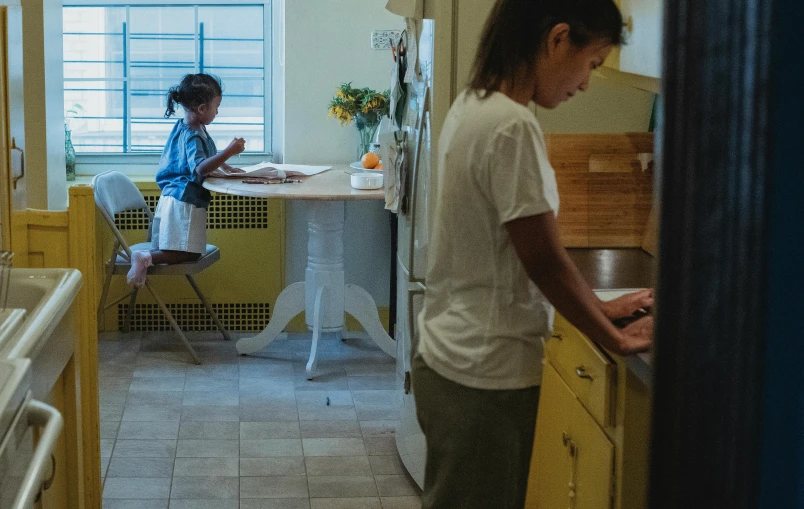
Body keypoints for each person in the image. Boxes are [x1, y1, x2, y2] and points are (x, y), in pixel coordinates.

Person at [411, 0, 655, 508]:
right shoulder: (512, 126)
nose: (586, 83)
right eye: (590, 63)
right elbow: (541, 258)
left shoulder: (473, 104)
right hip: (483, 377)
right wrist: (610, 333)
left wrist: (601, 304)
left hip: (453, 360)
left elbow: (512, 251)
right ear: (557, 38)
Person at [126, 73, 246, 287]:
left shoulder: (188, 127)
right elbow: (199, 168)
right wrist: (229, 152)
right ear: (201, 108)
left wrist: (226, 167)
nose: (217, 112)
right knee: (190, 253)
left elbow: (202, 156)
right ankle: (145, 257)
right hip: (184, 200)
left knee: (186, 251)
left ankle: (148, 257)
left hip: (175, 197)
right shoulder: (192, 134)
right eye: (216, 107)